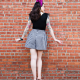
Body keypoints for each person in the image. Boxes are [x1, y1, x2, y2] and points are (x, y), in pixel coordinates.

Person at [15, 1, 62, 80]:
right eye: (43, 6)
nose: (44, 7)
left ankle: (34, 78)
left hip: (32, 35)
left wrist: (22, 37)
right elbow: (50, 28)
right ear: (40, 7)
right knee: (39, 58)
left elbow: (27, 27)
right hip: (41, 36)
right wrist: (55, 39)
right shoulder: (46, 16)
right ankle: (39, 77)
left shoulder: (32, 15)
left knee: (33, 58)